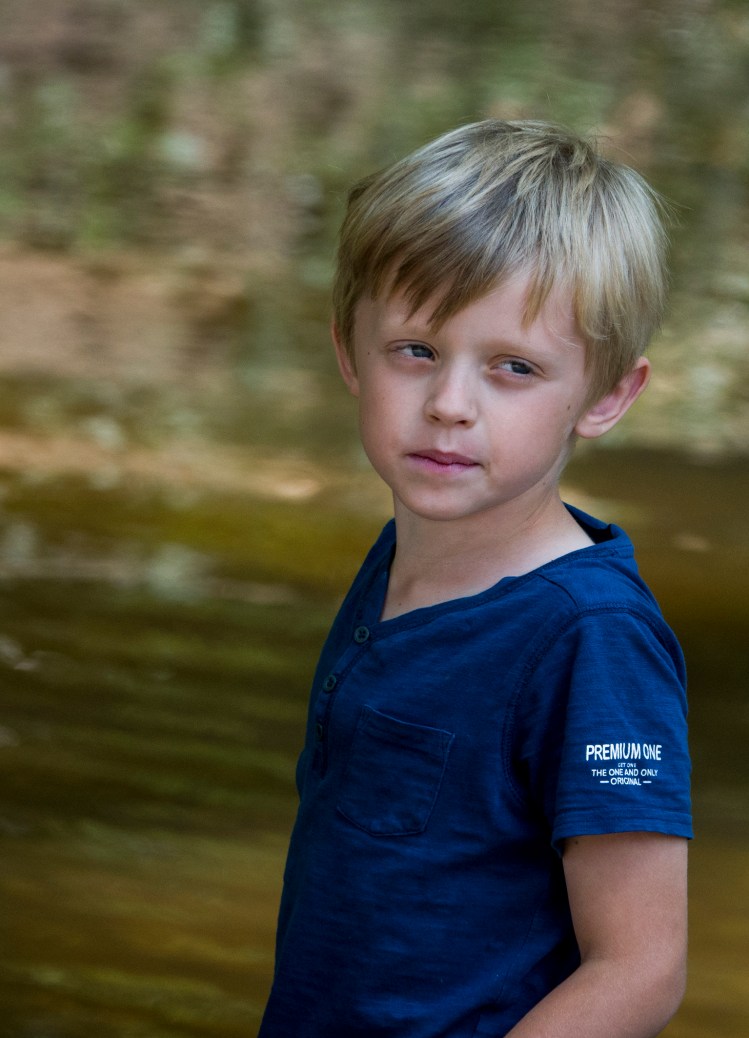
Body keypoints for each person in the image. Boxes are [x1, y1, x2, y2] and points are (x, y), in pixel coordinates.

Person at [259, 119, 692, 1037]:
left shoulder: (590, 639)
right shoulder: (402, 559)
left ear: (607, 395)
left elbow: (640, 969)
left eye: (513, 368)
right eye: (415, 350)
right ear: (348, 351)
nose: (449, 405)